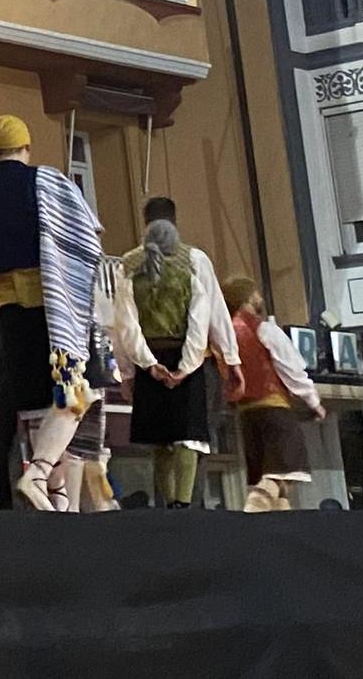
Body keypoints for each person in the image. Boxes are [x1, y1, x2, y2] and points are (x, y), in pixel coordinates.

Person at [0, 115, 103, 512]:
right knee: (76, 392)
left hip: (7, 310)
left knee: (41, 405)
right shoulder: (45, 180)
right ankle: (39, 472)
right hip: (52, 301)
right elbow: (85, 231)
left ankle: (55, 500)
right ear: (26, 146)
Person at [108, 216, 220, 509]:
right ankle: (183, 502)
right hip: (184, 357)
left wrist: (145, 365)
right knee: (188, 436)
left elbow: (126, 326)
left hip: (149, 359)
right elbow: (199, 322)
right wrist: (185, 366)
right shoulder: (190, 268)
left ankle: (168, 503)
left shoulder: (130, 271)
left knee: (159, 439)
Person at [223, 276, 323, 512]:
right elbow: (290, 368)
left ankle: (280, 523)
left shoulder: (225, 334)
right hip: (274, 409)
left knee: (277, 483)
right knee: (281, 473)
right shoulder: (264, 329)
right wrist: (313, 400)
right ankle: (254, 511)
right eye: (256, 294)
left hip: (247, 415)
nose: (260, 298)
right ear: (248, 298)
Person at [141, 196, 243, 404]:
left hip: (150, 363)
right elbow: (214, 312)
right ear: (174, 223)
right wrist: (231, 359)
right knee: (200, 433)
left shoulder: (133, 263)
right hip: (194, 361)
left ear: (146, 225)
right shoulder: (195, 259)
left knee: (157, 435)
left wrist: (128, 374)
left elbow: (126, 323)